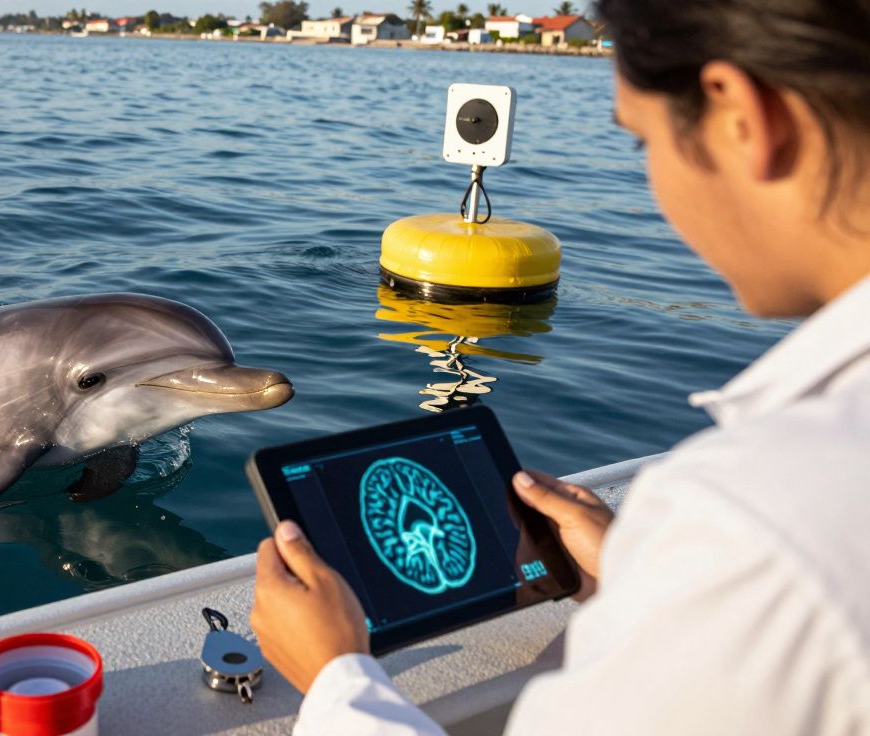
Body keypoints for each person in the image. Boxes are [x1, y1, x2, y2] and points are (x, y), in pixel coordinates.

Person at [250, 0, 870, 733]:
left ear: (743, 119)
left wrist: (332, 678)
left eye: (643, 144)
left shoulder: (755, 525)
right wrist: (639, 577)